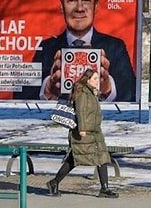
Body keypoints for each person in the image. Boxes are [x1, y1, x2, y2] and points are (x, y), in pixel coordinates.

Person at [22, 0, 136, 102]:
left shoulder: (115, 47)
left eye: (86, 0)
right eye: (71, 0)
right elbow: (23, 97)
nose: (80, 8)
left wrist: (108, 88)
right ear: (61, 5)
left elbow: (132, 94)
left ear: (96, 5)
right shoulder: (46, 48)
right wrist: (48, 88)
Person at [47, 68, 118, 198]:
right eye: (95, 79)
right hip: (84, 132)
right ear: (88, 79)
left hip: (95, 132)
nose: (97, 81)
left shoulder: (92, 93)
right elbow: (81, 111)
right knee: (75, 159)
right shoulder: (82, 92)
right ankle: (54, 182)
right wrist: (82, 129)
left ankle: (104, 188)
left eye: (98, 79)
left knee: (102, 157)